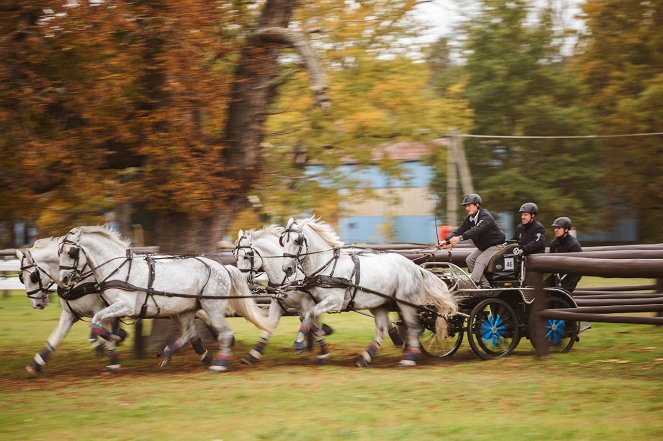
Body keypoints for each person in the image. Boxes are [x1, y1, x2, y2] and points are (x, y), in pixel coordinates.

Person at [440, 193, 506, 288]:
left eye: (469, 205)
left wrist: (460, 238)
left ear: (477, 205)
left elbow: (476, 230)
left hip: (497, 246)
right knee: (470, 260)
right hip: (485, 247)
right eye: (466, 206)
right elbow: (459, 231)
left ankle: (471, 284)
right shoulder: (469, 219)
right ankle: (485, 285)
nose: (467, 208)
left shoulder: (486, 216)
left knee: (480, 260)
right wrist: (445, 241)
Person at [548, 216, 582, 292]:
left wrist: (568, 285)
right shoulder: (553, 244)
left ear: (566, 229)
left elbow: (578, 269)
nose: (556, 230)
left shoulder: (574, 245)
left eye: (559, 228)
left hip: (570, 278)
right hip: (555, 278)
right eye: (555, 228)